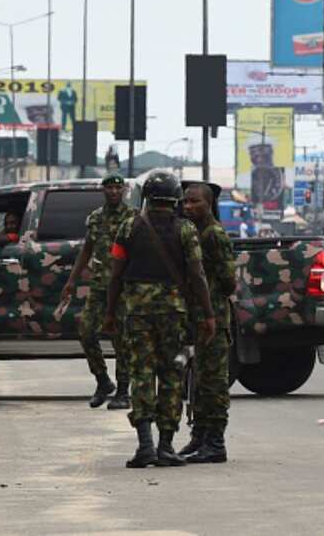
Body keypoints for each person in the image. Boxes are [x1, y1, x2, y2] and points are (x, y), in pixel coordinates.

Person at [106, 171, 216, 468]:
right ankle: (166, 446)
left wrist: (109, 313)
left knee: (141, 374)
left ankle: (145, 446)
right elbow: (197, 274)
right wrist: (207, 314)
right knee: (171, 375)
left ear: (147, 198)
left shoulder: (127, 228)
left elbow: (116, 274)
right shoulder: (186, 230)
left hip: (137, 313)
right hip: (173, 314)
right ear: (175, 199)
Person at [61, 175, 134, 410]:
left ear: (124, 190)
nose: (113, 191)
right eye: (109, 187)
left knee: (122, 339)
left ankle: (123, 391)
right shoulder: (95, 218)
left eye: (117, 187)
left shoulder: (133, 218)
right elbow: (87, 249)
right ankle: (103, 381)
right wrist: (72, 280)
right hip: (99, 285)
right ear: (103, 190)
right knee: (86, 332)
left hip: (123, 287)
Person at [179, 182, 236, 464]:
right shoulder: (193, 232)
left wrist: (211, 300)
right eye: (185, 202)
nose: (188, 207)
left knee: (213, 383)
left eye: (194, 202)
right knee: (199, 381)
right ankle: (199, 436)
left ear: (208, 204)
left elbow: (229, 280)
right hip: (197, 317)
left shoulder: (214, 234)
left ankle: (216, 443)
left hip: (213, 317)